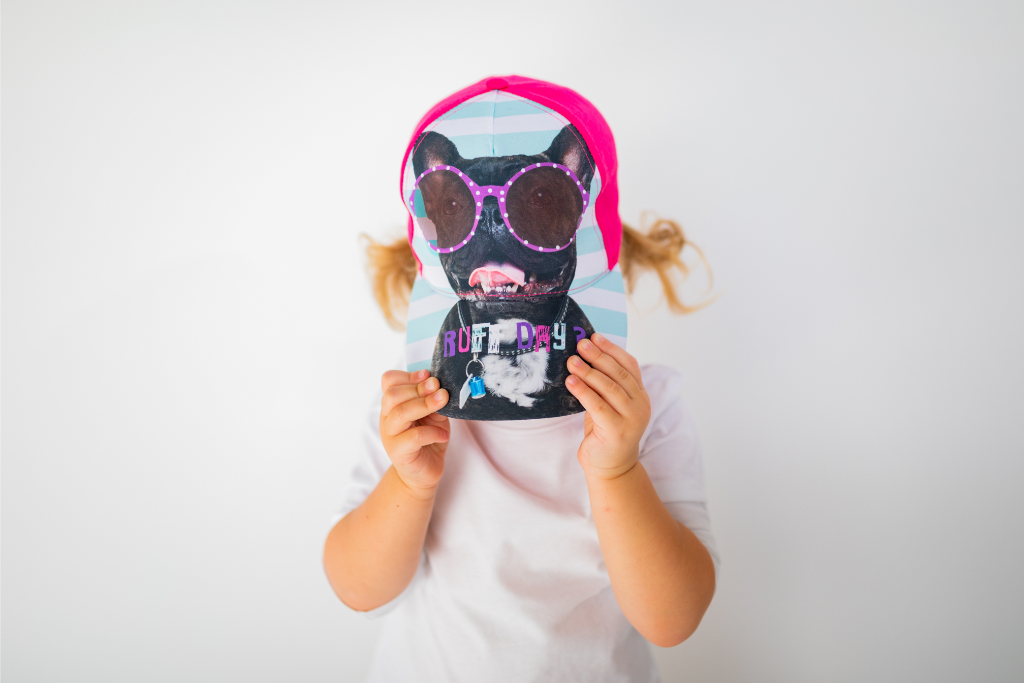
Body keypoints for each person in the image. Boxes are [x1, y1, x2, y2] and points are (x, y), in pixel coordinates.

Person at [322, 76, 719, 683]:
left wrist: (617, 469)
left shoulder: (648, 405)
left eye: (538, 207)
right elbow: (357, 588)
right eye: (458, 211)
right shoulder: (409, 411)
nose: (494, 247)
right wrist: (408, 480)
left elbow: (674, 618)